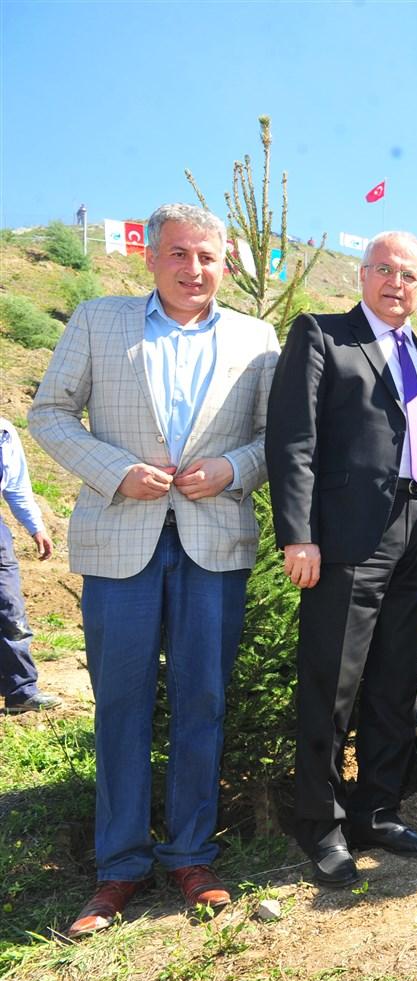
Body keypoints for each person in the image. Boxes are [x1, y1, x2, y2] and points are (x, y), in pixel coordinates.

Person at [30, 202, 279, 935]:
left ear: (224, 262)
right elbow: (49, 413)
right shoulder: (98, 321)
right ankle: (119, 869)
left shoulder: (256, 338)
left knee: (202, 701)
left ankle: (192, 856)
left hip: (214, 542)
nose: (193, 269)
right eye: (178, 254)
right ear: (149, 254)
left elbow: (277, 436)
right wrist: (114, 471)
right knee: (121, 705)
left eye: (206, 257)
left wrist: (233, 466)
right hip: (120, 541)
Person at [267, 230, 417, 886]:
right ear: (363, 273)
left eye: (409, 275)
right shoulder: (324, 336)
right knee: (333, 684)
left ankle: (377, 808)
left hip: (416, 533)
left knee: (394, 683)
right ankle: (319, 822)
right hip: (346, 537)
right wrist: (297, 534)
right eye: (384, 269)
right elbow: (293, 440)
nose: (395, 282)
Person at [1, 417, 59, 714]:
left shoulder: (4, 432)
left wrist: (36, 528)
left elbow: (17, 487)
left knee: (10, 610)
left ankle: (20, 691)